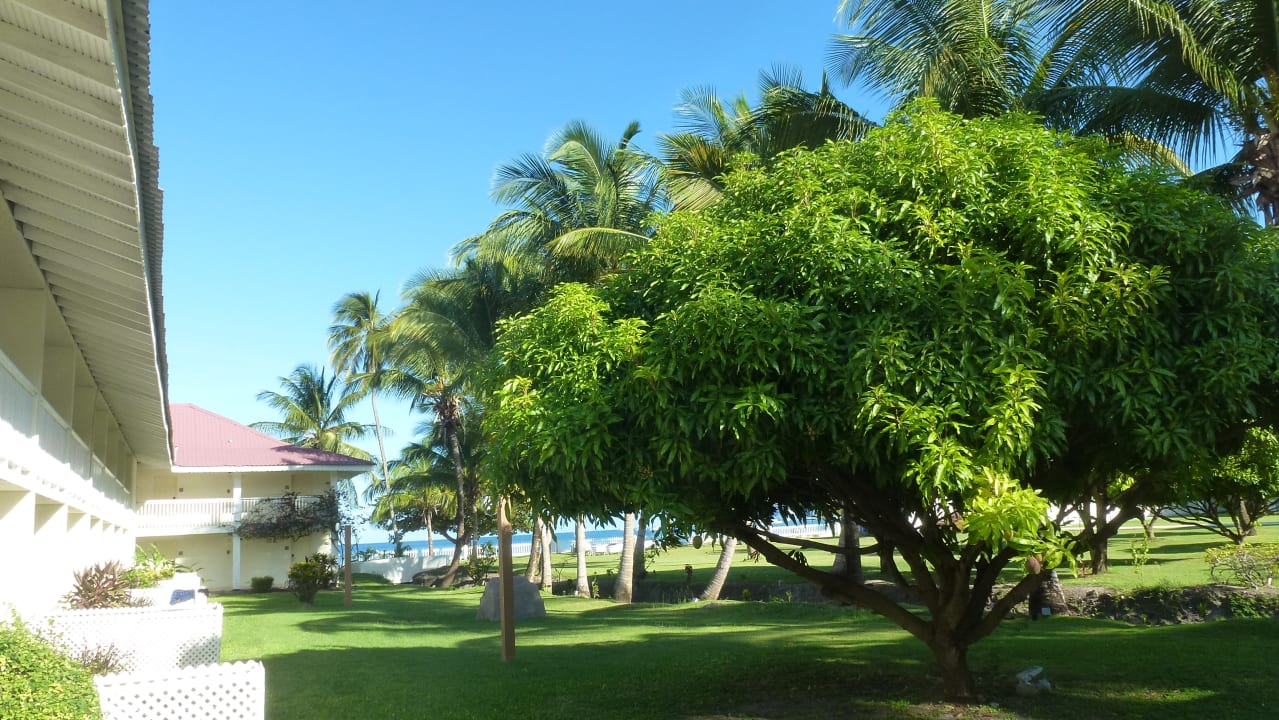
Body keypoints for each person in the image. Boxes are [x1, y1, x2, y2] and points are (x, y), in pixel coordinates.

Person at [1026, 555, 1047, 620]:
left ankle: (1041, 615)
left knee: (1042, 601)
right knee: (1040, 601)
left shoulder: (1037, 572)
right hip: (1037, 589)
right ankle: (1036, 616)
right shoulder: (1036, 571)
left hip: (1037, 588)